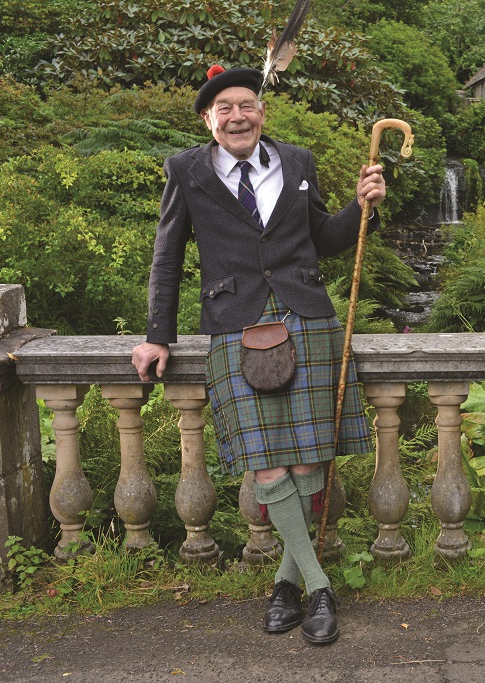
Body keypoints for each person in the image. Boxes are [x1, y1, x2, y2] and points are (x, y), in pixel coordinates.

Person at [131, 65, 386, 646]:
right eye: (224, 109)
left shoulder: (297, 163)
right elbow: (166, 258)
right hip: (235, 324)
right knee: (267, 464)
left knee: (305, 463)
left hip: (307, 317)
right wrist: (157, 335)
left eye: (246, 105)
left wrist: (360, 205)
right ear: (208, 119)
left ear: (262, 112)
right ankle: (318, 586)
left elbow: (324, 237)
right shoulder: (186, 171)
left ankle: (285, 587)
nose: (237, 115)